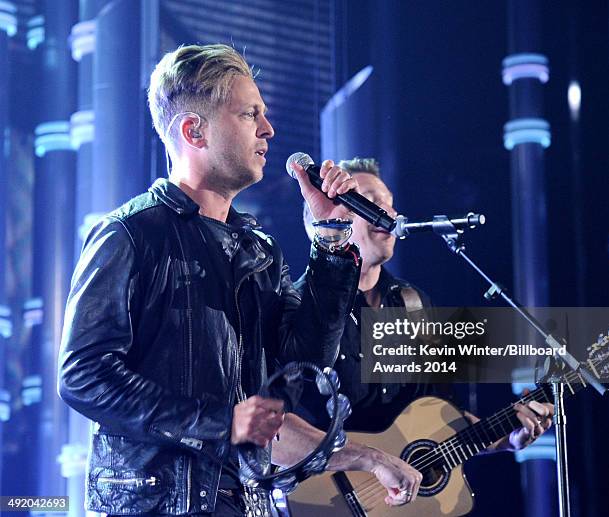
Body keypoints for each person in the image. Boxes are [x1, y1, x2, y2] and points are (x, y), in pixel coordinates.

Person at [57, 45, 422, 517]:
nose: (268, 130)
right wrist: (218, 422)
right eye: (251, 114)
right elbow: (82, 374)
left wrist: (331, 244)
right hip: (156, 504)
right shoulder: (130, 234)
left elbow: (305, 361)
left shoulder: (258, 250)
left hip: (245, 501)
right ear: (194, 130)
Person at [297, 157, 554, 449]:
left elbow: (444, 417)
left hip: (401, 491)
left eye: (390, 202)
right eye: (368, 202)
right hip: (320, 487)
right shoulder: (299, 303)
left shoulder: (413, 304)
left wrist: (506, 438)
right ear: (321, 220)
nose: (389, 212)